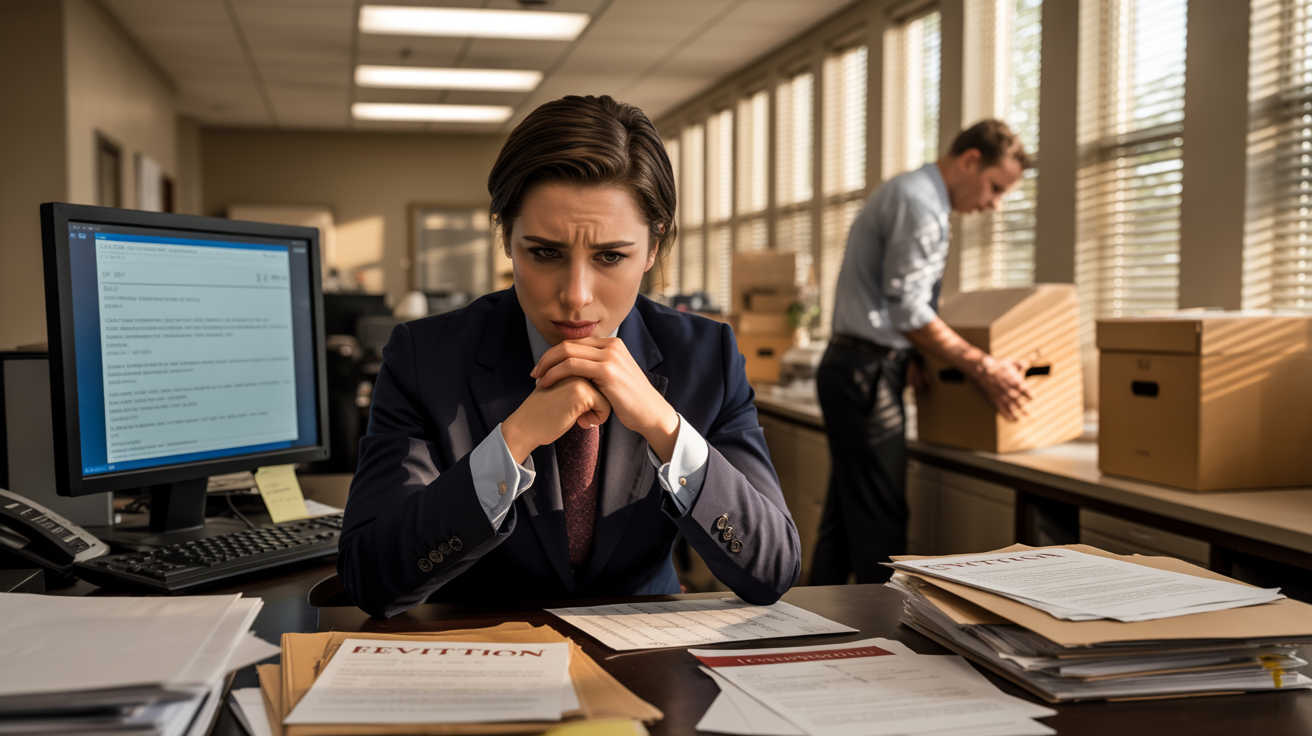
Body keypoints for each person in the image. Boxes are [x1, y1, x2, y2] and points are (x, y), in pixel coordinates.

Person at [339, 95, 801, 618]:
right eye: (545, 253)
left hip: (648, 663)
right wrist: (513, 441)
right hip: (478, 654)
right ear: (505, 237)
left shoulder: (706, 358)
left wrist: (662, 425)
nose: (576, 295)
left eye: (610, 256)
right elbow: (369, 579)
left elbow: (773, 570)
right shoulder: (425, 357)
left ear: (653, 247)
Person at [811, 120, 1032, 586]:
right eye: (995, 187)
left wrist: (913, 357)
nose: (994, 204)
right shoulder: (921, 205)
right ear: (970, 161)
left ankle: (803, 625)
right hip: (866, 373)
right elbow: (910, 310)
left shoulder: (911, 192)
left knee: (847, 513)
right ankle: (885, 641)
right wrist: (983, 366)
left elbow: (897, 302)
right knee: (880, 518)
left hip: (854, 365)